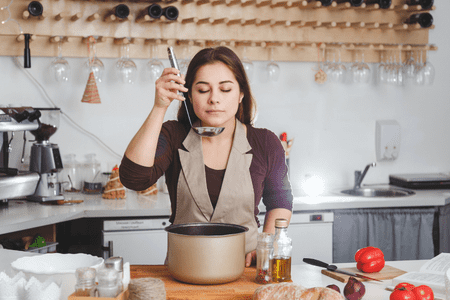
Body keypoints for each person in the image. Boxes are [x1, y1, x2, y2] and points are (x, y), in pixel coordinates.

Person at [119, 46, 293, 267]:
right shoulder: (175, 135)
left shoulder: (265, 142)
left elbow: (280, 201)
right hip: (184, 268)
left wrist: (267, 246)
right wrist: (159, 107)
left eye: (225, 89)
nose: (214, 99)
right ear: (189, 96)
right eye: (202, 90)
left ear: (241, 94)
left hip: (247, 268)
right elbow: (134, 179)